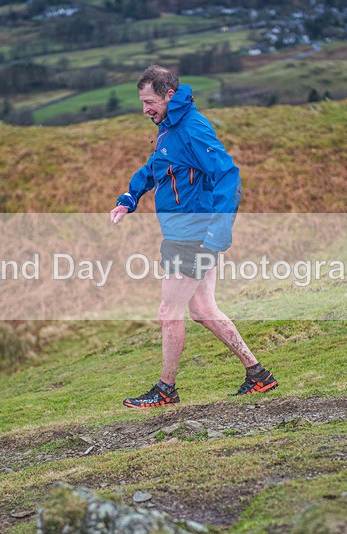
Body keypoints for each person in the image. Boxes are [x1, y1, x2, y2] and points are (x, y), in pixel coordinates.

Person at [110, 65, 277, 408]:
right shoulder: (169, 127)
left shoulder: (193, 128)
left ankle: (165, 390)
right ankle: (258, 375)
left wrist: (217, 234)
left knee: (168, 312)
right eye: (142, 103)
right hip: (183, 234)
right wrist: (130, 197)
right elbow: (156, 166)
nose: (145, 110)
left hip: (194, 236)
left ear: (169, 95)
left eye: (149, 101)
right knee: (202, 309)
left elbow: (228, 175)